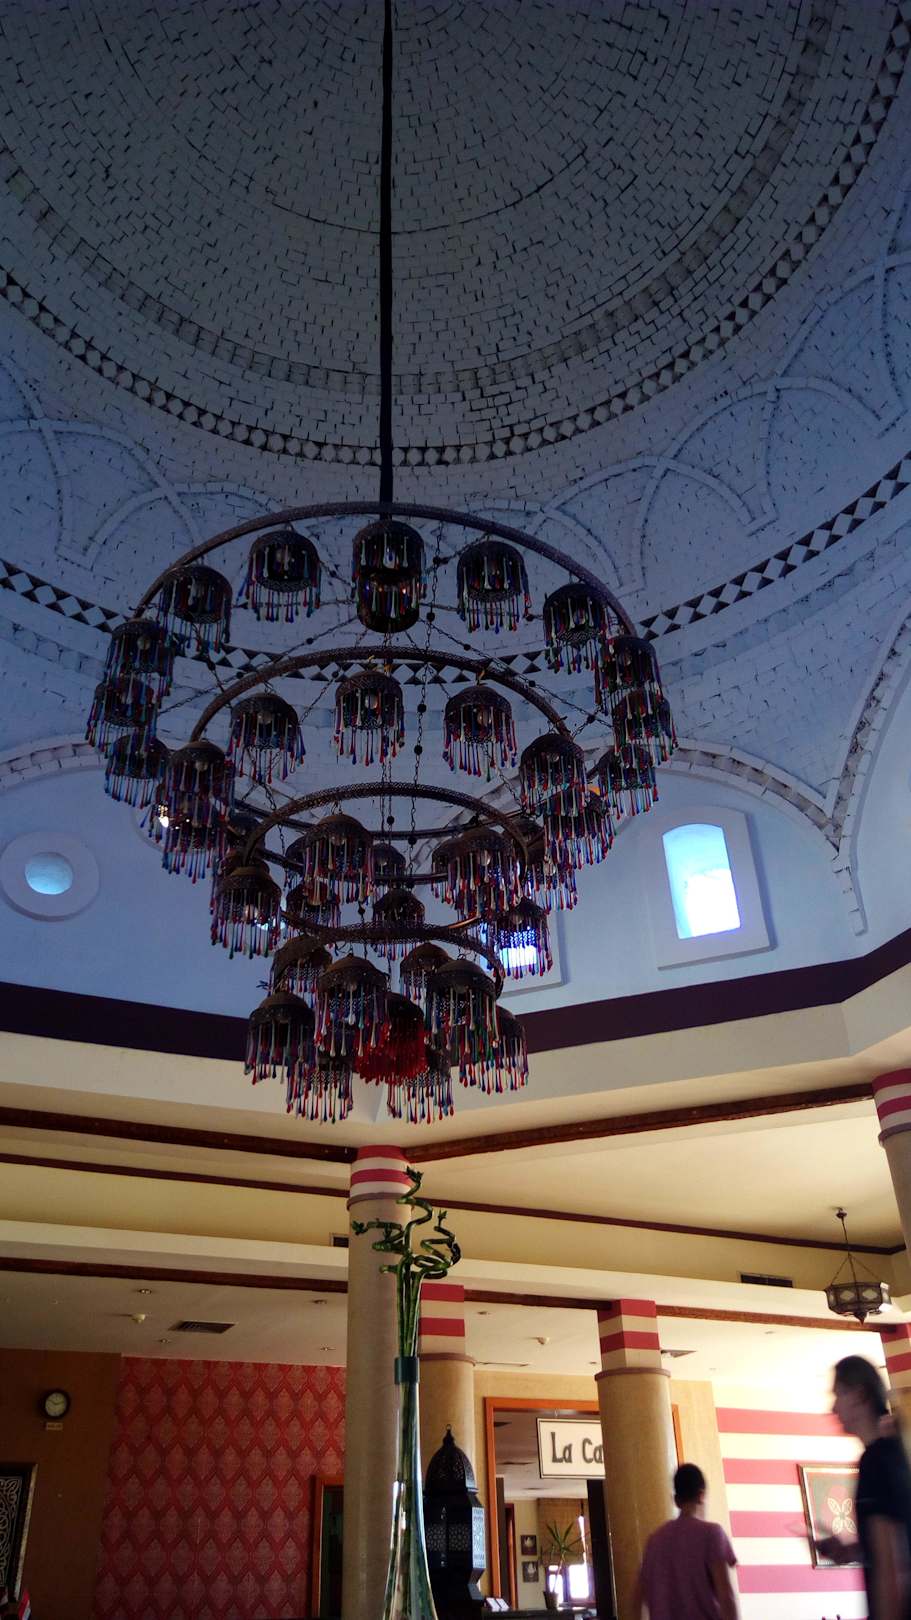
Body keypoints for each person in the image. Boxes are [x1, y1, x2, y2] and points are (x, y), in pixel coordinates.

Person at [819, 1354, 911, 1620]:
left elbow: (891, 1564)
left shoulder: (876, 1461)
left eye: (838, 1394)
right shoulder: (896, 1454)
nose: (833, 1408)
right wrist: (851, 1551)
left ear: (859, 1395)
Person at [634, 1461, 739, 1620]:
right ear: (702, 1495)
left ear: (676, 1500)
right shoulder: (712, 1534)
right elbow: (726, 1597)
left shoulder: (654, 1541)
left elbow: (637, 1600)